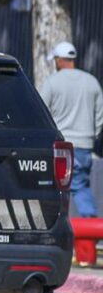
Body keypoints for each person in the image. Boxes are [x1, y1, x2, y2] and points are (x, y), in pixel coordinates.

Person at [39, 41, 103, 219]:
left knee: (57, 186)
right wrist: (92, 136)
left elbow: (42, 111)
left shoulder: (52, 82)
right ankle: (85, 226)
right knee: (80, 183)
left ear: (59, 60)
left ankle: (84, 222)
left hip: (59, 145)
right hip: (84, 146)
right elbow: (100, 115)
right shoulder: (92, 82)